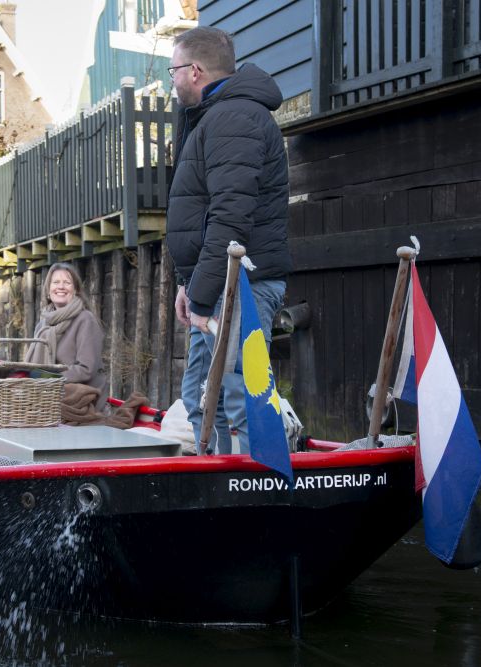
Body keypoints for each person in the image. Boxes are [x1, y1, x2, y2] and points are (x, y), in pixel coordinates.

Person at [165, 27, 292, 454]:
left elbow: (229, 219)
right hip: (216, 286)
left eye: (173, 71)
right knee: (200, 400)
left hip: (242, 289)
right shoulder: (214, 116)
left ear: (195, 70)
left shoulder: (234, 118)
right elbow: (204, 213)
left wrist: (199, 296)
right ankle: (217, 484)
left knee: (243, 402)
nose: (172, 80)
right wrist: (189, 286)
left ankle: (267, 498)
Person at [25, 263, 109, 410]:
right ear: (48, 290)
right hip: (50, 394)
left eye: (67, 282)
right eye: (56, 282)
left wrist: (47, 377)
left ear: (75, 290)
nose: (61, 287)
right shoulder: (43, 324)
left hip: (81, 400)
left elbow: (86, 370)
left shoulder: (86, 320)